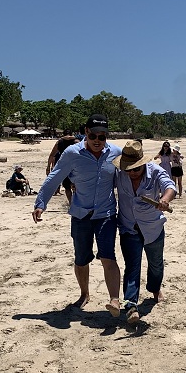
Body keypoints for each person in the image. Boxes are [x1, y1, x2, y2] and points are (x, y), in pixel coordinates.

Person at [33, 114, 123, 313]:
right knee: (81, 259)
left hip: (106, 214)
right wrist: (41, 203)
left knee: (108, 257)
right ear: (86, 132)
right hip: (81, 215)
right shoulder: (72, 153)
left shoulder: (116, 153)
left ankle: (114, 300)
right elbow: (54, 177)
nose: (97, 141)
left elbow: (129, 177)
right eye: (93, 136)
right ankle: (84, 294)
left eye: (102, 137)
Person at [114, 140, 176, 327]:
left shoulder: (155, 171)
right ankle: (131, 305)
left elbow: (170, 186)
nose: (132, 173)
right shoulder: (120, 173)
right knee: (132, 266)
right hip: (128, 227)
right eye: (128, 169)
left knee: (156, 264)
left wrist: (165, 200)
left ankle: (155, 289)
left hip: (152, 227)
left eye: (136, 169)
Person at [46, 134, 78, 205]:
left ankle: (71, 203)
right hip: (75, 166)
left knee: (67, 187)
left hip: (64, 167)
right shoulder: (76, 141)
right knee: (76, 186)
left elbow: (52, 155)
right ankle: (77, 203)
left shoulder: (59, 142)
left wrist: (48, 167)